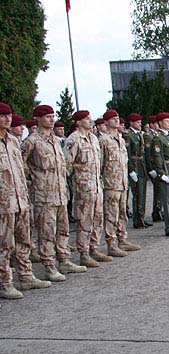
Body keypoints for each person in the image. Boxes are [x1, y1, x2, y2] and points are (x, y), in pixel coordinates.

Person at [22, 104, 87, 281]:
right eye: (47, 116)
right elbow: (21, 163)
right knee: (47, 232)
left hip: (60, 193)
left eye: (53, 116)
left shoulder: (56, 141)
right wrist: (34, 179)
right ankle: (49, 265)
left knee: (63, 229)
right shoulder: (32, 141)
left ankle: (64, 260)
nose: (52, 119)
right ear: (38, 119)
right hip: (44, 195)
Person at [0, 101, 51, 299]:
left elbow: (21, 170)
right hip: (4, 203)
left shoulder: (13, 142)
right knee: (5, 245)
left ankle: (26, 276)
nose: (7, 119)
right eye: (2, 116)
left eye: (9, 115)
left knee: (24, 241)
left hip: (20, 200)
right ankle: (5, 283)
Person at [64, 110, 110, 268]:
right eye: (86, 119)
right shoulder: (74, 139)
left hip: (96, 186)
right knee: (84, 220)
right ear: (78, 122)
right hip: (83, 188)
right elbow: (66, 165)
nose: (90, 121)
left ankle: (94, 249)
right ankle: (83, 253)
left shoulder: (93, 138)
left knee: (98, 218)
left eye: (90, 118)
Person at [98, 110, 140, 256]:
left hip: (122, 182)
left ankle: (122, 239)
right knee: (111, 214)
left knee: (122, 213)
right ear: (106, 122)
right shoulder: (104, 140)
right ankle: (111, 243)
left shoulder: (121, 139)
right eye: (113, 118)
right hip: (110, 183)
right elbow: (100, 164)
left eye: (117, 118)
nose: (116, 120)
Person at [150, 112, 169, 237]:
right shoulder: (158, 138)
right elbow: (157, 157)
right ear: (160, 123)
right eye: (166, 121)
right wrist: (161, 173)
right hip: (168, 171)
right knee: (168, 202)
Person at [124, 113, 151, 228]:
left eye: (140, 122)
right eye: (137, 122)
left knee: (142, 193)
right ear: (131, 123)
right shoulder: (128, 135)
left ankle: (141, 217)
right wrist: (130, 170)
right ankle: (137, 219)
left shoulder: (139, 135)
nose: (140, 124)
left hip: (141, 166)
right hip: (134, 166)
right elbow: (127, 154)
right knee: (137, 194)